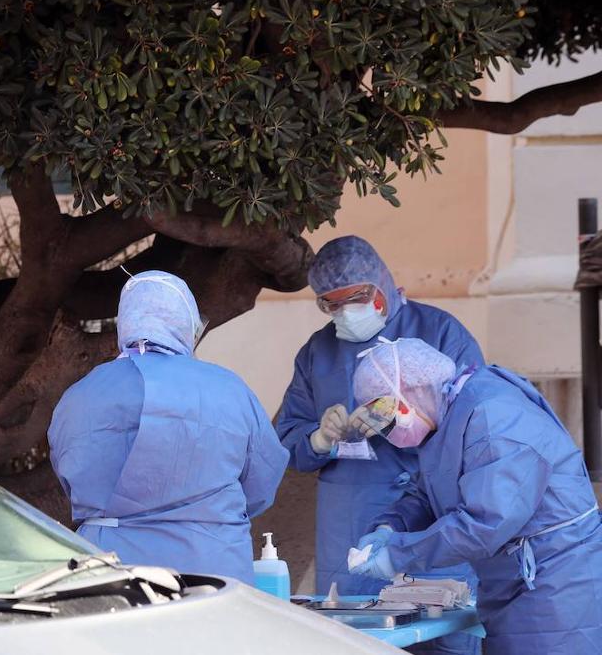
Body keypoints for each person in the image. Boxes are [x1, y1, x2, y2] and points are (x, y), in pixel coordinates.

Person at [348, 338, 602, 655]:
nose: (387, 429)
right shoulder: (446, 417)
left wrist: (398, 555)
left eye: (386, 415)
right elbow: (428, 491)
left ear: (410, 392)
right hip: (515, 580)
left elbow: (486, 523)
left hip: (556, 584)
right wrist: (389, 528)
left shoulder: (496, 417)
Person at [48, 270, 288, 583]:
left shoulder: (79, 395)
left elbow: (68, 481)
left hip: (112, 569)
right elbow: (261, 483)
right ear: (185, 323)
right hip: (212, 565)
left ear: (126, 321)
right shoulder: (228, 389)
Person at [275, 237, 483, 591]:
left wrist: (407, 421)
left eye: (356, 299)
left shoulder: (440, 332)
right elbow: (287, 438)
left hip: (427, 509)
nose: (346, 311)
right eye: (332, 305)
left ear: (382, 284)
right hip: (348, 520)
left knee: (440, 625)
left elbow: (474, 422)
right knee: (357, 636)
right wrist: (319, 438)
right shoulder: (318, 352)